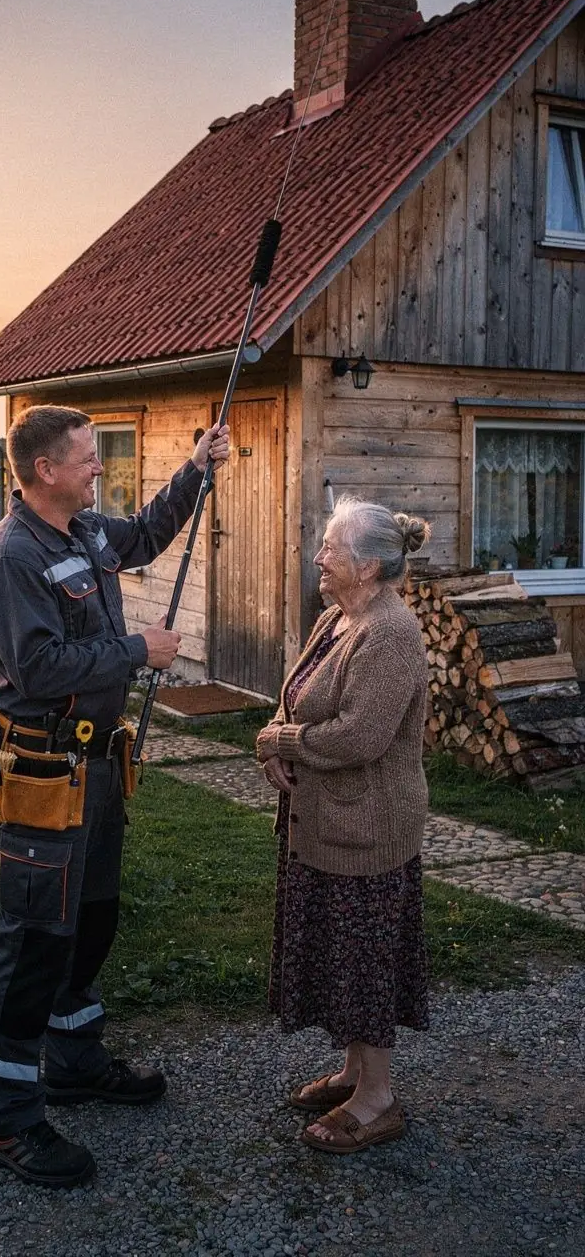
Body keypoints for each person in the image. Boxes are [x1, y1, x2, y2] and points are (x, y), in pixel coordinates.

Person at [0, 404, 229, 1187]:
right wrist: (135, 650)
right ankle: (8, 1124)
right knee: (34, 940)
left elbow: (145, 534)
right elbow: (41, 669)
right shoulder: (13, 557)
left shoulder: (80, 533)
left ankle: (73, 1061)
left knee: (91, 920)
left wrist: (197, 470)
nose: (98, 468)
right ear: (45, 469)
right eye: (86, 457)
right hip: (43, 775)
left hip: (99, 770)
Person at [256, 495, 430, 1155]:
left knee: (364, 959)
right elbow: (293, 697)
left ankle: (379, 1100)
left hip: (369, 827)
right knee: (340, 951)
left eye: (330, 548)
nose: (319, 557)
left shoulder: (390, 632)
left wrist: (282, 741)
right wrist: (277, 741)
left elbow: (360, 736)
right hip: (325, 819)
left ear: (367, 565)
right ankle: (356, 1074)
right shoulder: (338, 617)